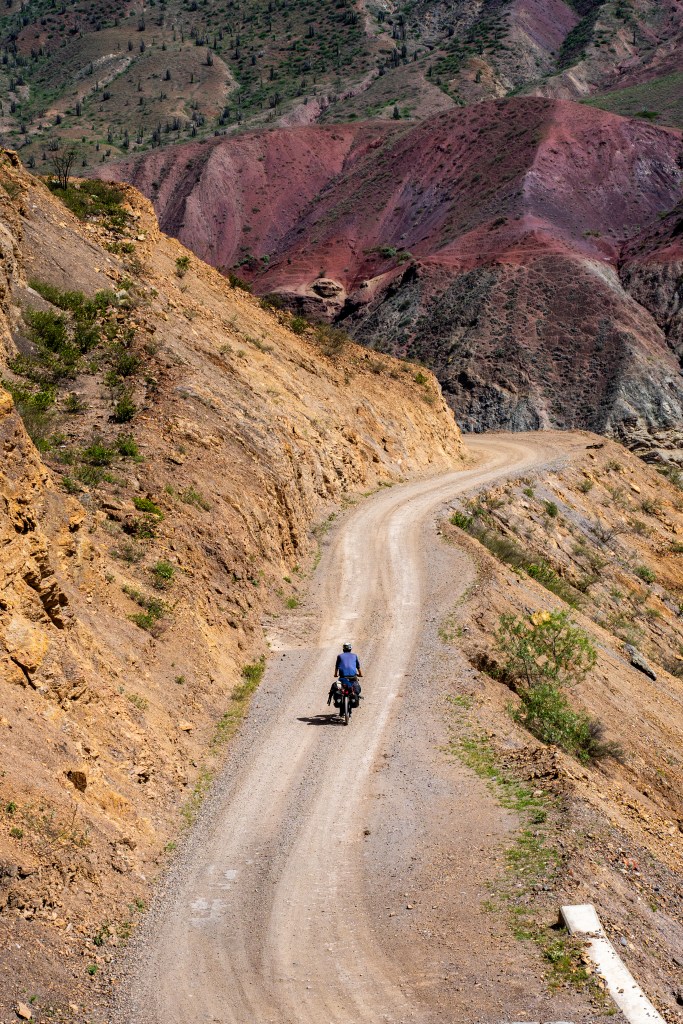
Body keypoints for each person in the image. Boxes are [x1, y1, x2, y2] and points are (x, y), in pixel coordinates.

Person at [328, 642, 363, 711]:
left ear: (343, 649)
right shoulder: (354, 656)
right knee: (355, 687)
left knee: (340, 688)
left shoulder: (339, 656)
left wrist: (335, 674)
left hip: (343, 677)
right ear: (351, 649)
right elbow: (358, 666)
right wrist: (360, 674)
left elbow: (337, 666)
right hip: (353, 677)